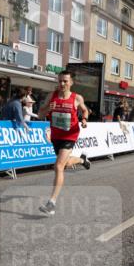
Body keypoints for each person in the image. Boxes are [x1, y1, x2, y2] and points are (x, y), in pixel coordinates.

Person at [37, 70, 91, 216]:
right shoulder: (51, 96)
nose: (62, 83)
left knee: (58, 166)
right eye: (60, 80)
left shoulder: (76, 98)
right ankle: (82, 160)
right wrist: (48, 108)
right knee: (65, 164)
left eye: (65, 81)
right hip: (56, 135)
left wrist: (84, 120)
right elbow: (40, 115)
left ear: (71, 82)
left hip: (70, 135)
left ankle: (51, 203)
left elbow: (85, 111)